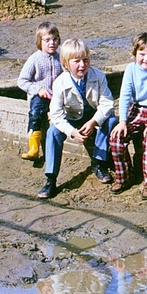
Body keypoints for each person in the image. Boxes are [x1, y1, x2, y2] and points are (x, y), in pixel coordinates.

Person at [39, 39, 117, 199]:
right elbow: (56, 114)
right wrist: (72, 131)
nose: (82, 65)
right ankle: (51, 179)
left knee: (111, 120)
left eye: (85, 60)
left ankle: (98, 162)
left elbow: (107, 102)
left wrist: (94, 122)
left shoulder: (99, 76)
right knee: (53, 131)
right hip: (72, 118)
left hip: (92, 115)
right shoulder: (60, 82)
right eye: (77, 61)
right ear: (66, 64)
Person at [109, 32, 147, 199]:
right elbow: (125, 95)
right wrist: (122, 122)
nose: (146, 59)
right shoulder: (130, 69)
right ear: (135, 54)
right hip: (137, 108)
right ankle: (124, 176)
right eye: (142, 54)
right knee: (116, 136)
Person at [17, 22, 63, 161]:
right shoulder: (35, 59)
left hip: (57, 95)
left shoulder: (61, 58)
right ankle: (34, 147)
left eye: (55, 39)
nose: (51, 43)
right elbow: (22, 81)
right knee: (36, 111)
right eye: (47, 40)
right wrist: (38, 89)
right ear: (40, 42)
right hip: (40, 95)